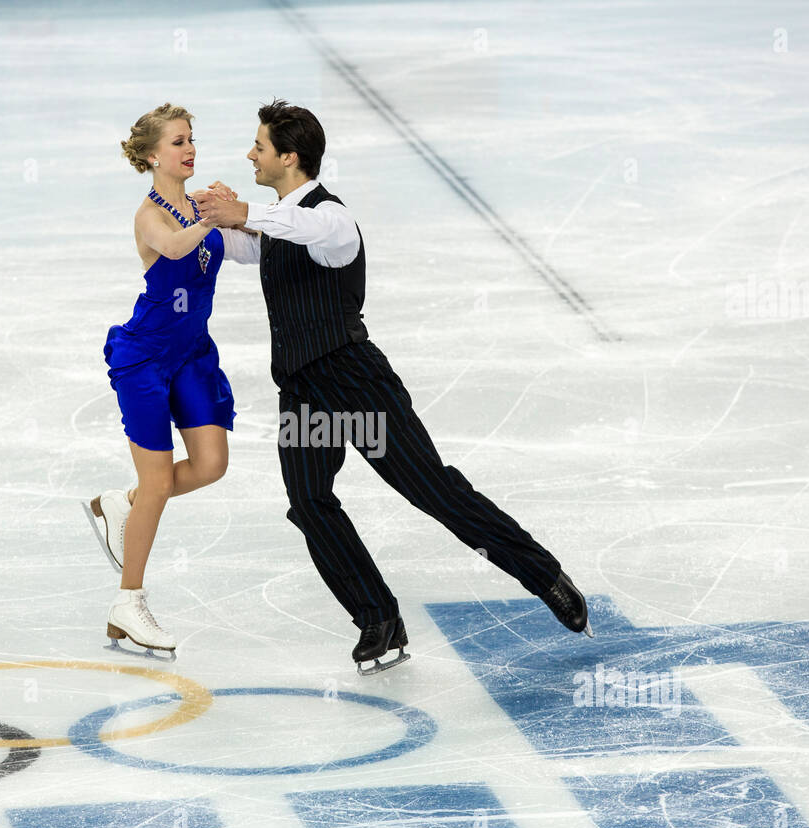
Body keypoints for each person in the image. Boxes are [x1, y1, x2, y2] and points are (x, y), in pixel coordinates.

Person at [198, 99, 592, 675]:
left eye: (259, 147)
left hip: (355, 382)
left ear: (290, 157)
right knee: (308, 503)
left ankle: (543, 574)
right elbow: (235, 241)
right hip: (304, 387)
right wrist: (195, 208)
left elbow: (295, 226)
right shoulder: (274, 223)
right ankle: (378, 617)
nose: (250, 155)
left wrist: (243, 210)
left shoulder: (330, 218)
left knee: (434, 491)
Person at [83, 103, 244, 659]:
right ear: (154, 156)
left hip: (193, 352)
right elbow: (176, 247)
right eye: (178, 142)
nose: (190, 149)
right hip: (146, 357)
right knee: (157, 483)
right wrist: (213, 218)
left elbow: (234, 245)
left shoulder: (202, 204)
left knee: (212, 464)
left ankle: (120, 503)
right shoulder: (149, 215)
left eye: (192, 139)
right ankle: (128, 603)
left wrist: (237, 213)